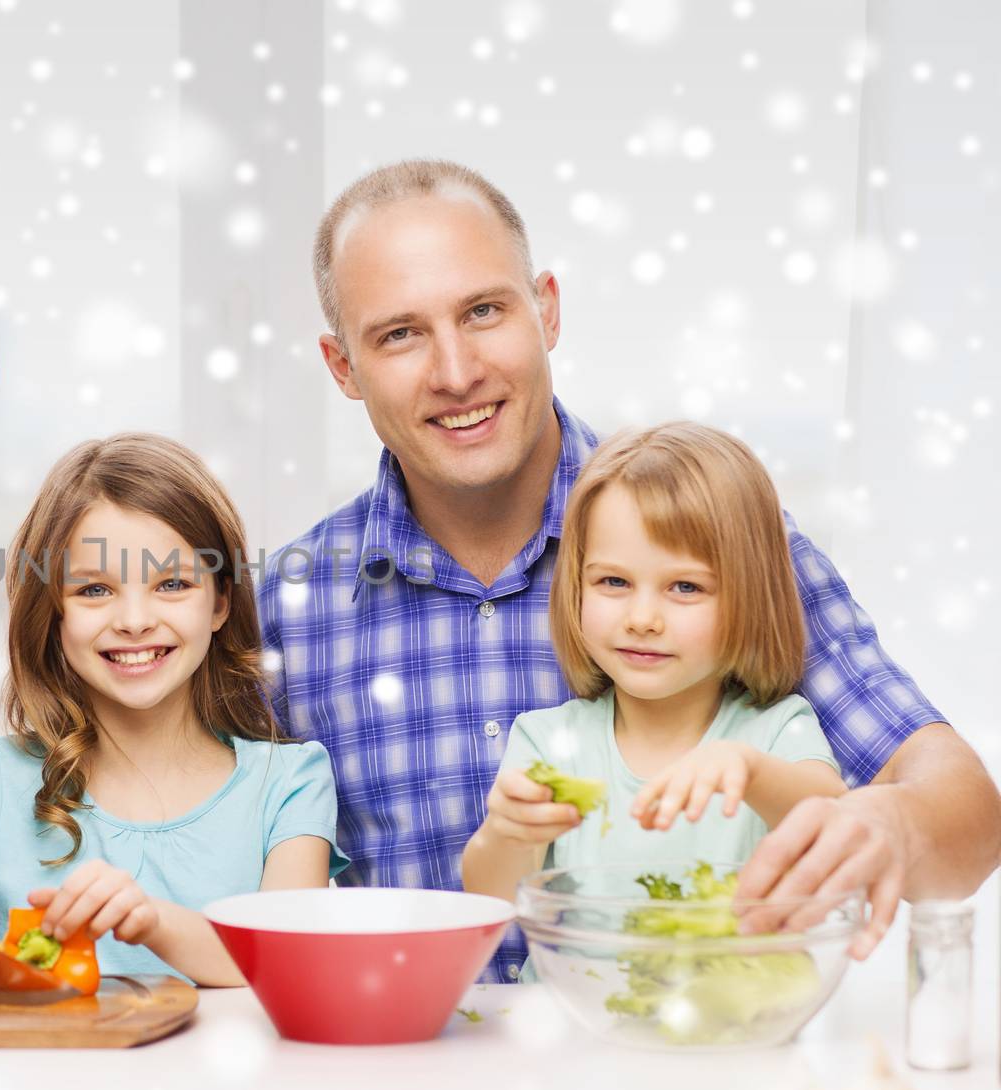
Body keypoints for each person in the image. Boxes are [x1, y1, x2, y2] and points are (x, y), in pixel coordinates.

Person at [258, 158, 1000, 981]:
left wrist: (893, 825)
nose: (456, 371)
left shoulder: (718, 543)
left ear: (546, 308)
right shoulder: (289, 606)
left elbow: (964, 813)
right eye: (400, 334)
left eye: (484, 311)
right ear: (341, 368)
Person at [0, 434, 346, 984]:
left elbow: (286, 961)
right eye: (94, 591)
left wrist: (149, 922)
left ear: (220, 602)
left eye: (172, 583)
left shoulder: (289, 782)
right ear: (53, 615)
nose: (133, 619)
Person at [460, 423, 845, 905]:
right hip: (572, 983)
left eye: (685, 587)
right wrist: (506, 833)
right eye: (614, 582)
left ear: (751, 597)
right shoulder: (550, 743)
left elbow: (835, 823)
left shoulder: (776, 732)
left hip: (728, 983)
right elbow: (491, 896)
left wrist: (751, 772)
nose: (642, 620)